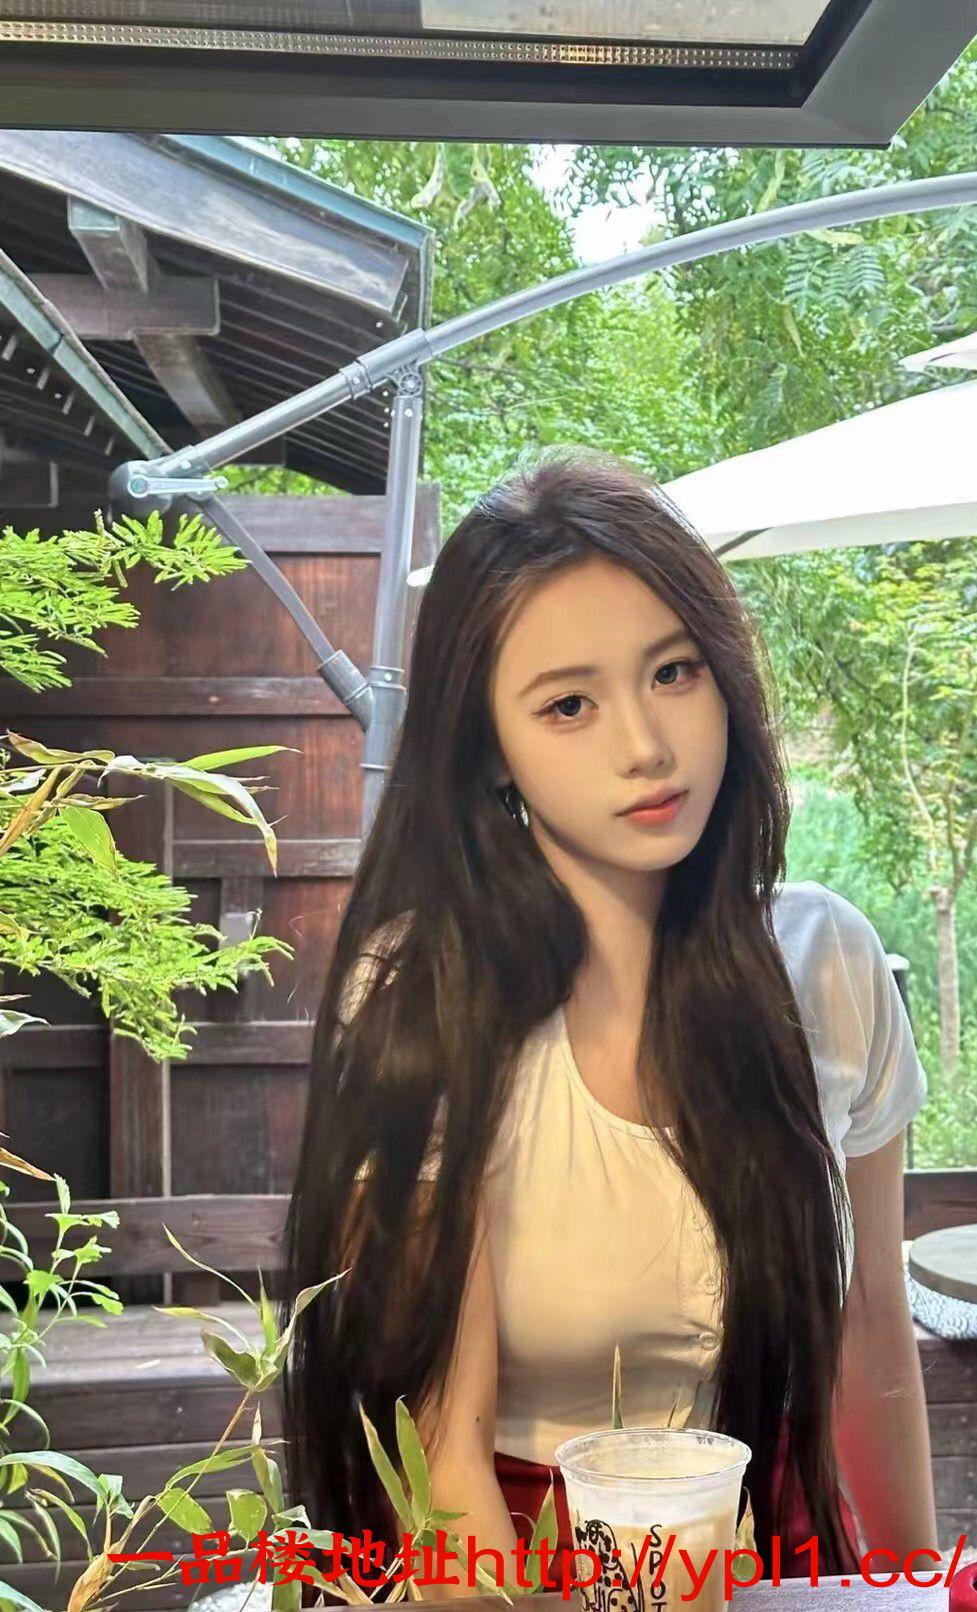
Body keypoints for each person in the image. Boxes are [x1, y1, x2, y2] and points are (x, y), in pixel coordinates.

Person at [281, 448, 936, 1601]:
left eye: (672, 671)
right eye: (568, 704)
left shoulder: (824, 960)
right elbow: (440, 1457)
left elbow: (872, 1327)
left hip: (778, 1540)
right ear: (489, 750)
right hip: (518, 1558)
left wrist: (911, 1584)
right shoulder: (423, 993)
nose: (643, 744)